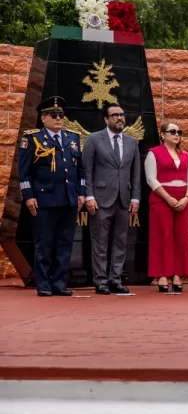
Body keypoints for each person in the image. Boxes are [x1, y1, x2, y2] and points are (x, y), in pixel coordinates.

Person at [17, 96, 85, 296]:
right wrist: (28, 195)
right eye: (54, 115)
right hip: (44, 199)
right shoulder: (33, 139)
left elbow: (79, 170)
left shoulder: (73, 138)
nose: (59, 119)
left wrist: (81, 193)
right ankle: (44, 284)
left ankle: (59, 283)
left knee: (65, 243)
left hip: (68, 198)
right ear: (43, 117)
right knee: (44, 243)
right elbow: (24, 171)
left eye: (61, 115)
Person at [82, 103, 141, 295]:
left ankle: (115, 279)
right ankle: (100, 280)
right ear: (106, 119)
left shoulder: (132, 142)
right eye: (115, 115)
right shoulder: (93, 139)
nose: (120, 118)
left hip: (124, 199)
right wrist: (89, 195)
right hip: (100, 198)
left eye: (122, 114)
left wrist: (136, 198)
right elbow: (87, 169)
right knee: (99, 241)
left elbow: (135, 173)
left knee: (120, 241)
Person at [145, 122, 188, 293]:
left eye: (178, 132)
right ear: (162, 134)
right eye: (172, 131)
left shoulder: (186, 155)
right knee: (162, 236)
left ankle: (177, 274)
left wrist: (187, 198)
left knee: (181, 236)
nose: (176, 134)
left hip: (183, 198)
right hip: (162, 197)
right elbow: (151, 179)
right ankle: (162, 275)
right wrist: (168, 198)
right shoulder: (154, 153)